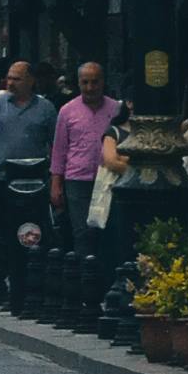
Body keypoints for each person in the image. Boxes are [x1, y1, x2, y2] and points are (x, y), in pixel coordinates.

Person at [0, 52, 60, 308]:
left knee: (32, 234)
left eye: (16, 79)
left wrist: (55, 177)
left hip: (34, 181)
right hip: (3, 179)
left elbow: (55, 144)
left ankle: (32, 286)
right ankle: (4, 289)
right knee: (2, 235)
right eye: (9, 79)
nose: (10, 83)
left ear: (30, 81)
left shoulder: (45, 108)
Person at [51, 58, 120, 268]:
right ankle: (83, 281)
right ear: (79, 83)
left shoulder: (116, 109)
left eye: (95, 82)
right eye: (85, 82)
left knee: (107, 230)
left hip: (108, 178)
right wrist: (56, 183)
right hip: (77, 179)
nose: (90, 88)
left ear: (103, 82)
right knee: (82, 232)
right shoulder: (67, 111)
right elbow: (59, 149)